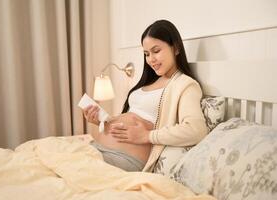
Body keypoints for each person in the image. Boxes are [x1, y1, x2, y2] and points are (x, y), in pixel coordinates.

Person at [83, 19, 208, 172]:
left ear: (175, 48)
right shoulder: (149, 82)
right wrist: (101, 121)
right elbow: (133, 117)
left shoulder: (185, 85)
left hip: (124, 159)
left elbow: (196, 130)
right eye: (146, 54)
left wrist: (147, 136)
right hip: (98, 148)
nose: (151, 60)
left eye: (156, 51)